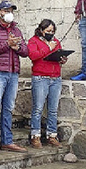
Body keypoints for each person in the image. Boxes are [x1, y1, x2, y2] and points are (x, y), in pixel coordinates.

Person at [0, 1, 30, 155]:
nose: (9, 12)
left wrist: (18, 47)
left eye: (11, 10)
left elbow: (26, 51)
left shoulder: (16, 30)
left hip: (13, 73)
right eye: (6, 10)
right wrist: (7, 44)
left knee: (8, 108)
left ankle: (7, 141)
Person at [27, 19, 67, 148]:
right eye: (48, 31)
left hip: (55, 77)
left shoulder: (56, 41)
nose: (51, 33)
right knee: (38, 108)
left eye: (53, 31)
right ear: (41, 30)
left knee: (53, 109)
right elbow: (33, 55)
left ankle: (52, 135)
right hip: (40, 77)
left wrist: (62, 59)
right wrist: (48, 48)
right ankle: (35, 135)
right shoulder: (34, 41)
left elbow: (58, 53)